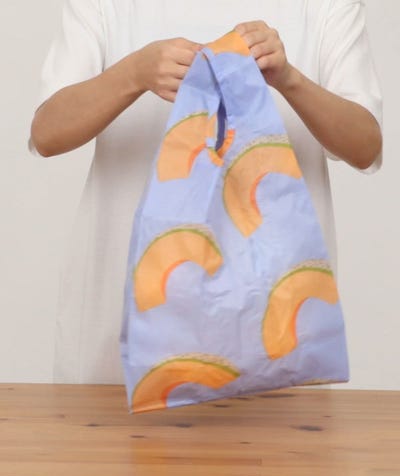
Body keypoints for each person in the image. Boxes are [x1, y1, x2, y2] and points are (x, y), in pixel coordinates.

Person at [29, 0, 383, 384]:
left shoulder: (326, 7)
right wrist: (134, 73)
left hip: (277, 344)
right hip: (120, 343)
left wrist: (289, 79)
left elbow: (365, 146)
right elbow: (47, 133)